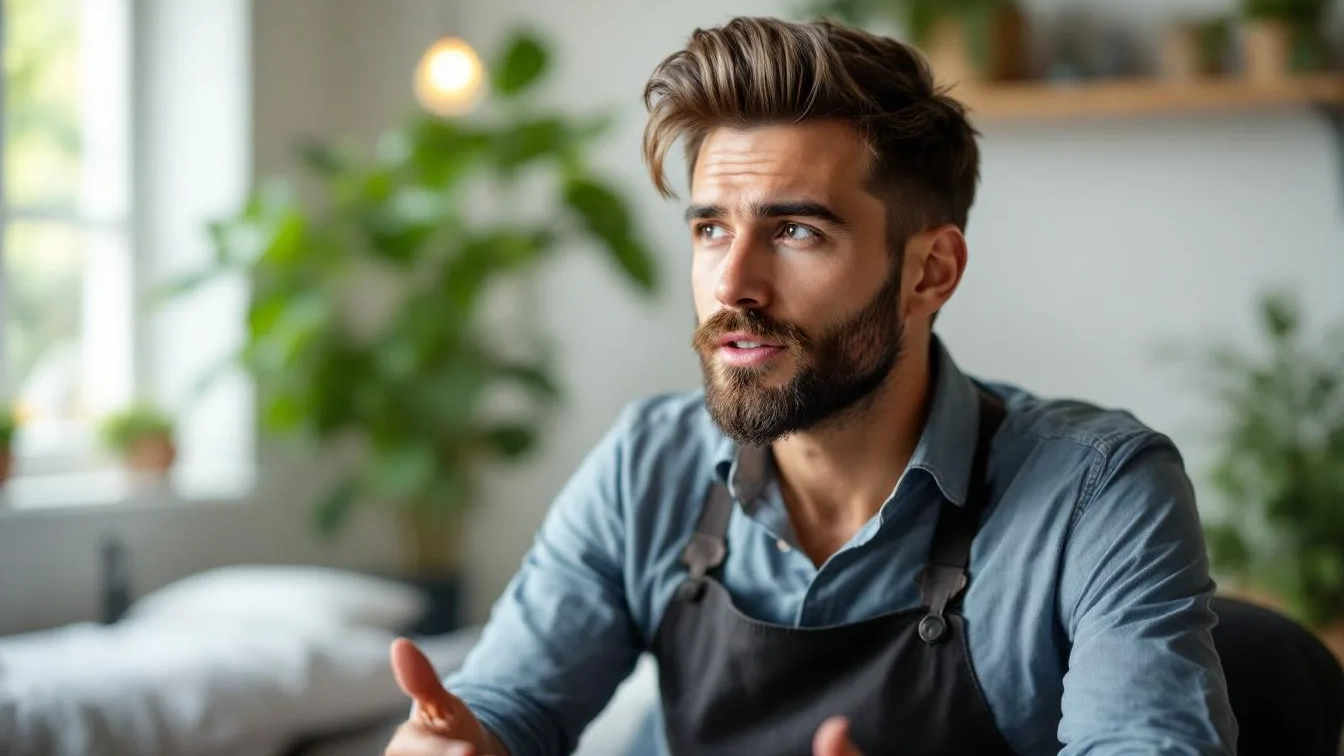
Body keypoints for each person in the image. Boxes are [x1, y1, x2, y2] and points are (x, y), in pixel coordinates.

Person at [383, 15, 1236, 756]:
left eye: (794, 230)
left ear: (929, 272)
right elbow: (515, 703)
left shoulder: (1098, 493)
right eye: (712, 228)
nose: (733, 286)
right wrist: (465, 737)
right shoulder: (647, 464)